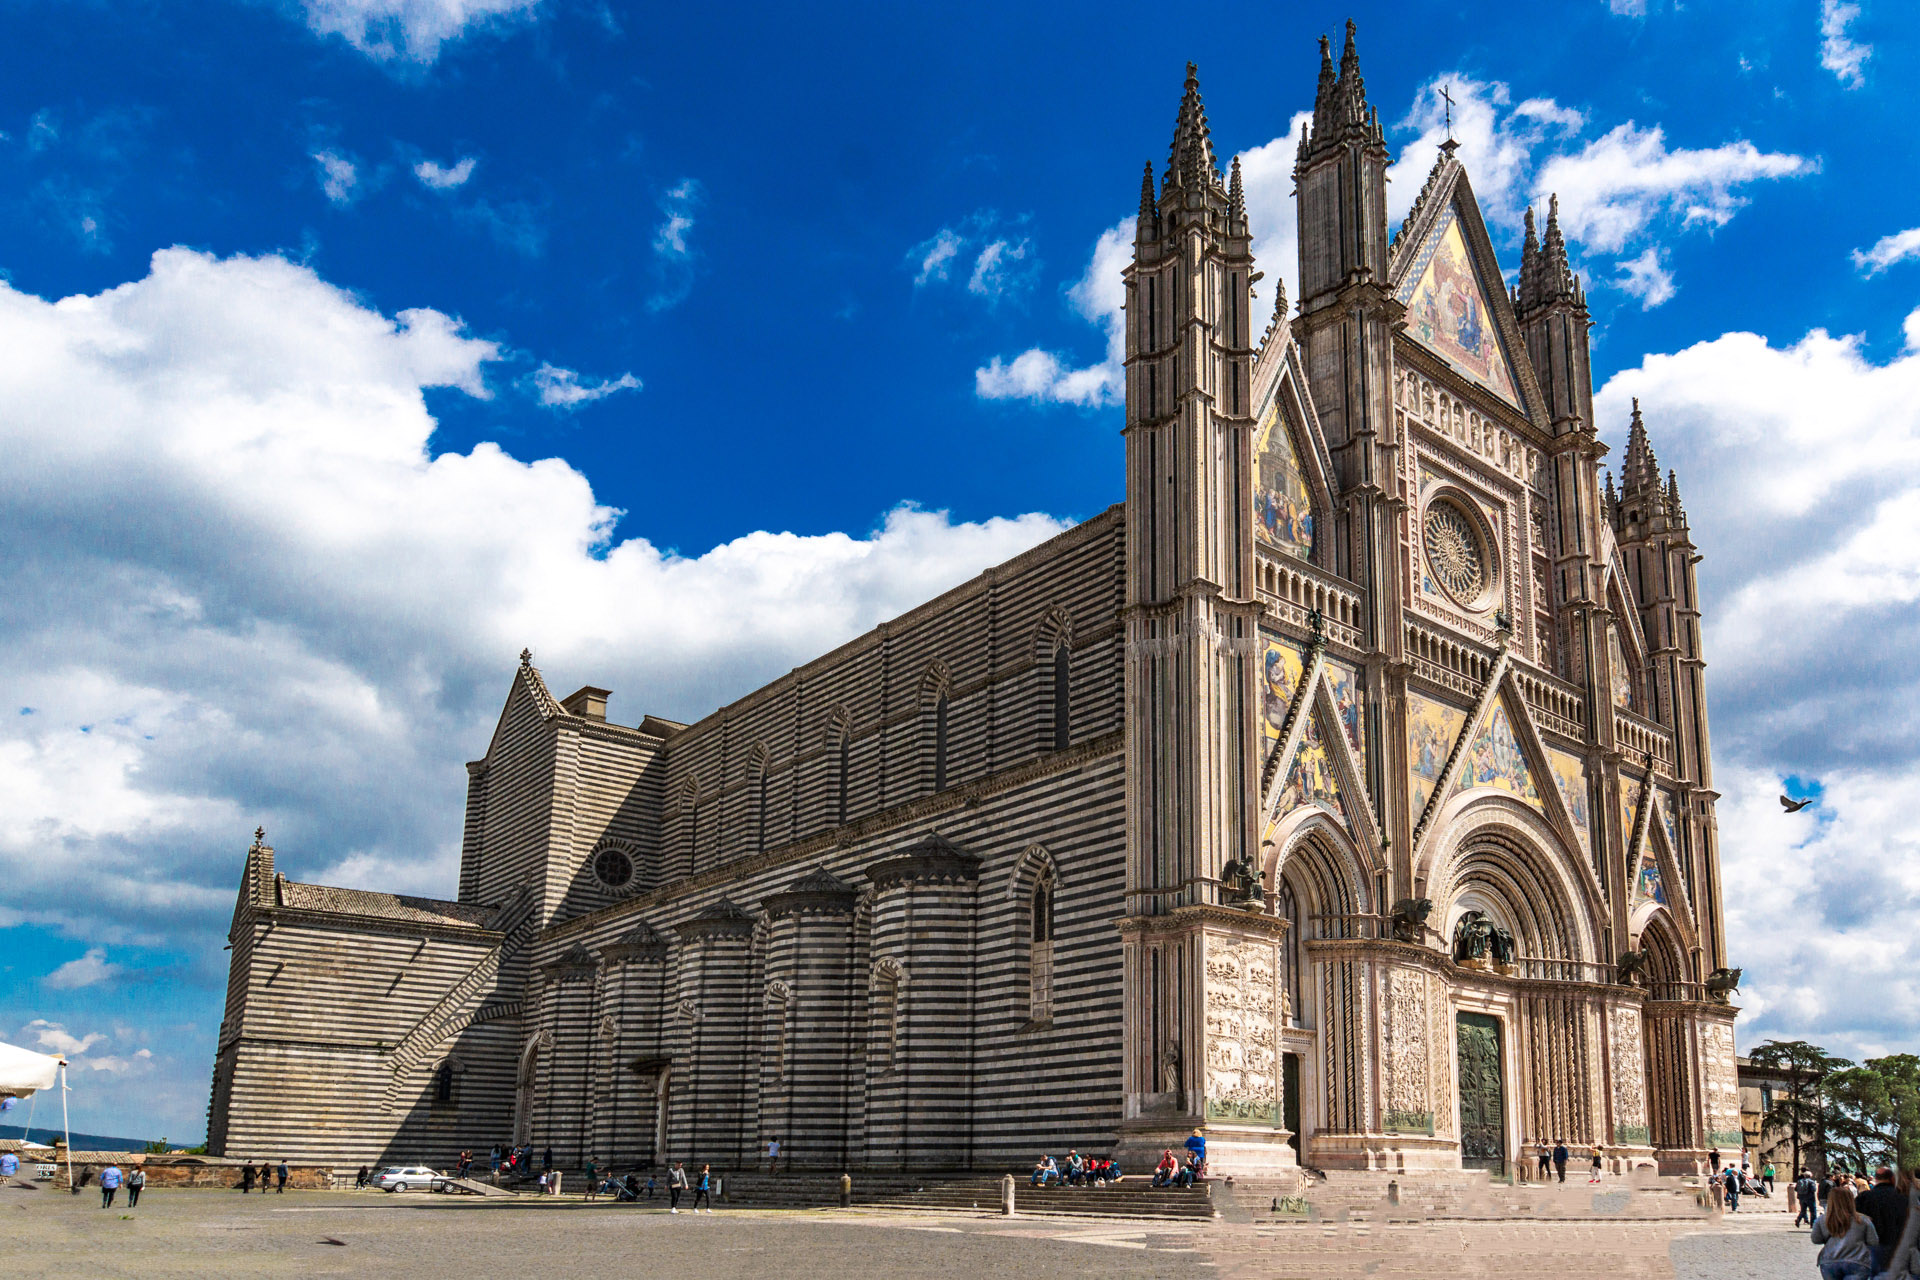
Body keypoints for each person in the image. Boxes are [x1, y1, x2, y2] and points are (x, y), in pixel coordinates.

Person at [1813, 1182, 1878, 1280]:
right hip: (1857, 1260)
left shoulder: (1822, 1219)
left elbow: (1816, 1239)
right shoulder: (1863, 1220)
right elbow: (1873, 1241)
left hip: (1830, 1261)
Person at [1856, 1167, 1908, 1274]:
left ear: (1876, 1178)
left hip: (1873, 1246)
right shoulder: (1904, 1197)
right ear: (1892, 1178)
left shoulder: (1864, 1197)